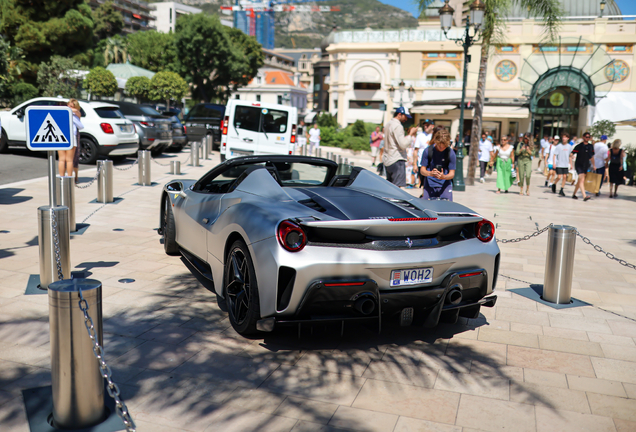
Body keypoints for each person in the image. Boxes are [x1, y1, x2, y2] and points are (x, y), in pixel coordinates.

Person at [383, 106, 416, 188]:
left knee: (390, 188)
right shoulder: (398, 126)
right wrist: (410, 134)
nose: (406, 119)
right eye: (405, 116)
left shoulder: (388, 124)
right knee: (397, 189)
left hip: (388, 160)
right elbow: (403, 145)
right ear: (400, 114)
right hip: (396, 159)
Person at [420, 128, 456, 201]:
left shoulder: (451, 153)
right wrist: (430, 173)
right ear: (436, 141)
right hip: (429, 184)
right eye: (439, 146)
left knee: (447, 208)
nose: (441, 148)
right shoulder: (428, 151)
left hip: (445, 184)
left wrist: (444, 176)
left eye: (444, 147)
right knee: (427, 207)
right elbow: (422, 170)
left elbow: (452, 174)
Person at [570, 132, 595, 201]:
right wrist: (571, 157)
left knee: (580, 180)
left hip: (586, 165)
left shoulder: (590, 146)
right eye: (586, 137)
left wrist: (594, 165)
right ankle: (584, 196)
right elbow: (572, 153)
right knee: (582, 180)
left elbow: (592, 156)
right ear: (583, 137)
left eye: (588, 137)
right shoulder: (579, 146)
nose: (587, 138)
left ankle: (574, 194)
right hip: (579, 165)